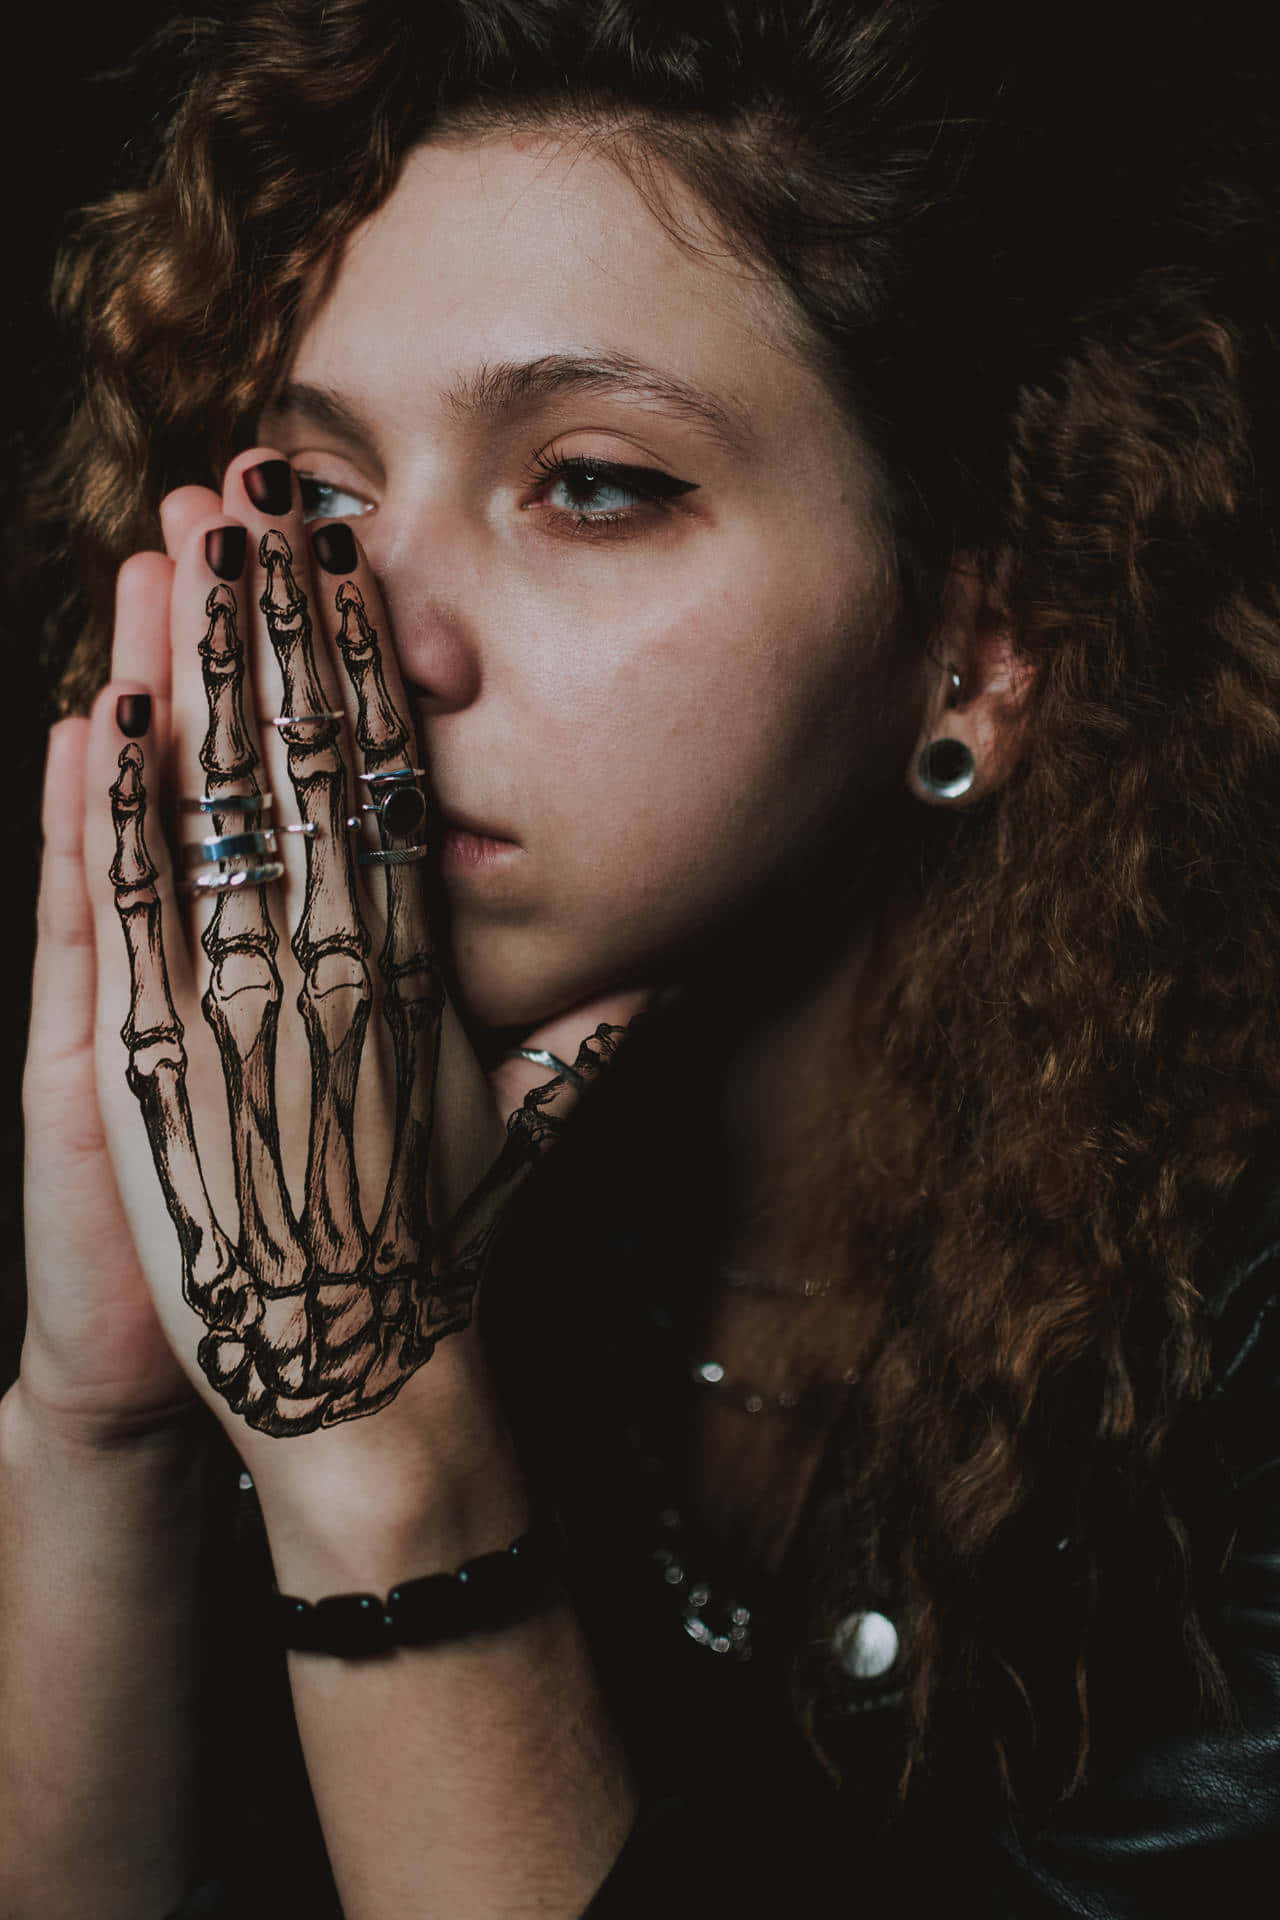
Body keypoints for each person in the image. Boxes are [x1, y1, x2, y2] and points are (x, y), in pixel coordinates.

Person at [4, 1, 1279, 1913]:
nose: (387, 640)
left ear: (979, 647)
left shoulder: (1230, 1362)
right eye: (320, 495)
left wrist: (369, 1414)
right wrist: (107, 1422)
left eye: (593, 483)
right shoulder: (394, 1159)